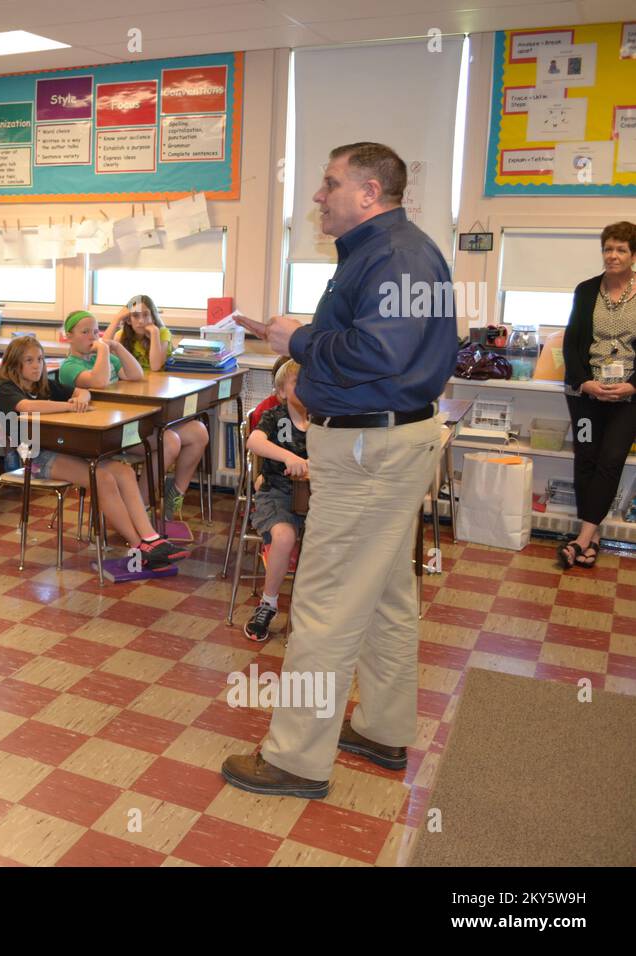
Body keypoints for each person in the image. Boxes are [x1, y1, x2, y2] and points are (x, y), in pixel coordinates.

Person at [226, 142, 457, 798]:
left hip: (369, 454)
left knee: (325, 605)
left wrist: (297, 340)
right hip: (376, 445)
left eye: (330, 184)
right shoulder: (382, 253)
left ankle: (296, 760)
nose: (319, 197)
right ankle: (383, 728)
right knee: (386, 597)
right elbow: (374, 353)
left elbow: (379, 353)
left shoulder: (397, 255)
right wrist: (304, 361)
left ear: (369, 193)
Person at [0, 336, 183, 567]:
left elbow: (82, 392)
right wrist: (68, 405)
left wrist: (81, 399)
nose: (37, 365)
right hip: (36, 458)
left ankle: (151, 537)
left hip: (66, 449)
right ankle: (138, 546)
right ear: (15, 364)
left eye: (40, 359)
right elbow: (26, 407)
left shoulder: (44, 385)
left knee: (124, 471)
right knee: (102, 478)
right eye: (29, 361)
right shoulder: (7, 389)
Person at [559, 221, 636, 570]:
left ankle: (580, 539)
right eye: (608, 248)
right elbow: (572, 341)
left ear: (633, 255)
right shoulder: (586, 289)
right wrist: (584, 382)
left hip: (628, 400)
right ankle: (590, 539)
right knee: (586, 458)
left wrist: (633, 385)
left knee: (611, 459)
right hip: (586, 398)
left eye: (621, 249)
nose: (613, 255)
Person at [104, 295, 210, 520]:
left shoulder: (161, 334)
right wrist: (116, 320)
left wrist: (153, 334)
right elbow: (103, 346)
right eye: (134, 316)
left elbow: (155, 365)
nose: (141, 321)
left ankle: (174, 497)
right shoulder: (123, 336)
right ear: (128, 319)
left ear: (153, 315)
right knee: (168, 441)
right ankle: (140, 506)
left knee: (199, 432)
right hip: (131, 409)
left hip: (158, 403)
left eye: (145, 315)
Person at [243, 360, 308, 643]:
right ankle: (268, 603)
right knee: (283, 536)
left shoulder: (326, 419)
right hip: (278, 494)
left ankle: (322, 613)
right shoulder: (274, 416)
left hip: (319, 497)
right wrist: (289, 457)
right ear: (282, 391)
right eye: (298, 383)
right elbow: (254, 442)